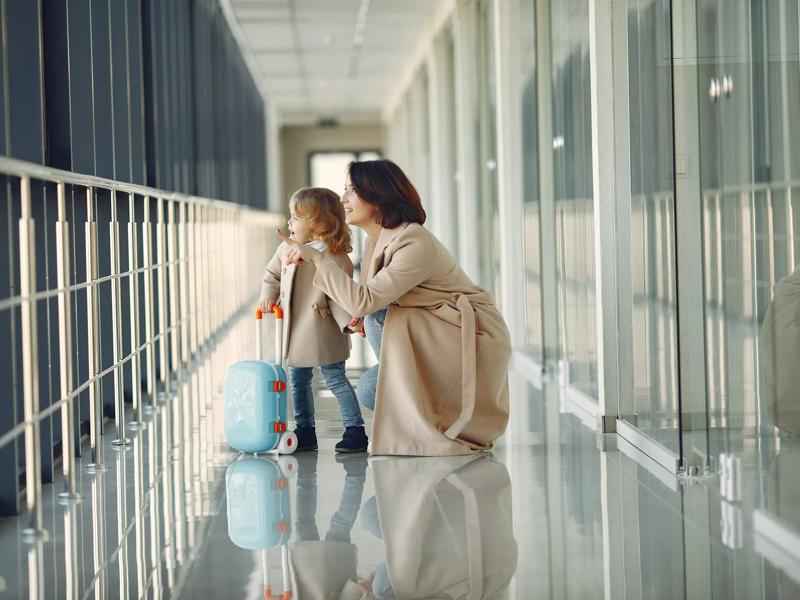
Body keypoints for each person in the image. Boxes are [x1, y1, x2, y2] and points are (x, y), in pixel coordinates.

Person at [275, 159, 511, 456]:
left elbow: (365, 300)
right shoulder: (377, 240)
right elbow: (366, 301)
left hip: (467, 339)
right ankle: (429, 411)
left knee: (374, 323)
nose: (342, 199)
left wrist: (319, 259)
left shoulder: (413, 241)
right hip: (438, 331)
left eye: (351, 191)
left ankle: (444, 413)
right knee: (370, 389)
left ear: (377, 198)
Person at [259, 187, 368, 453]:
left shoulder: (335, 258)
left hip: (323, 327)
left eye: (295, 218)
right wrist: (268, 294)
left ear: (318, 223)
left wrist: (349, 321)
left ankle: (355, 431)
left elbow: (339, 295)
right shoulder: (285, 250)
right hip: (294, 328)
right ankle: (305, 430)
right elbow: (271, 275)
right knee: (297, 380)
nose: (289, 223)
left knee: (335, 378)